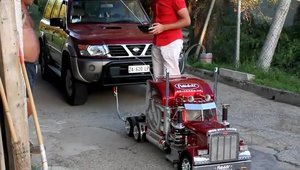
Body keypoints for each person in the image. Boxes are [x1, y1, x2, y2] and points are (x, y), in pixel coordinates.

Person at [149, 0, 191, 79]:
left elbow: (187, 21)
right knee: (157, 77)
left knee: (171, 77)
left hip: (171, 41)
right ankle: (159, 91)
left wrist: (163, 27)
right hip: (156, 41)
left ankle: (171, 91)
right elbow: (157, 18)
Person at [21, 0, 40, 117]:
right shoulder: (11, 7)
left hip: (29, 64)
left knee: (28, 105)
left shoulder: (24, 8)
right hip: (21, 64)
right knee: (26, 105)